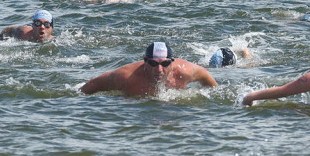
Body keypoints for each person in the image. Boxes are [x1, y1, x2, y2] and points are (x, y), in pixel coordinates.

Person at [80, 41, 217, 97]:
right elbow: (94, 84)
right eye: (153, 63)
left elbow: (207, 77)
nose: (159, 69)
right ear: (145, 62)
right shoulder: (126, 76)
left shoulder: (184, 71)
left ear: (171, 62)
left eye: (164, 64)